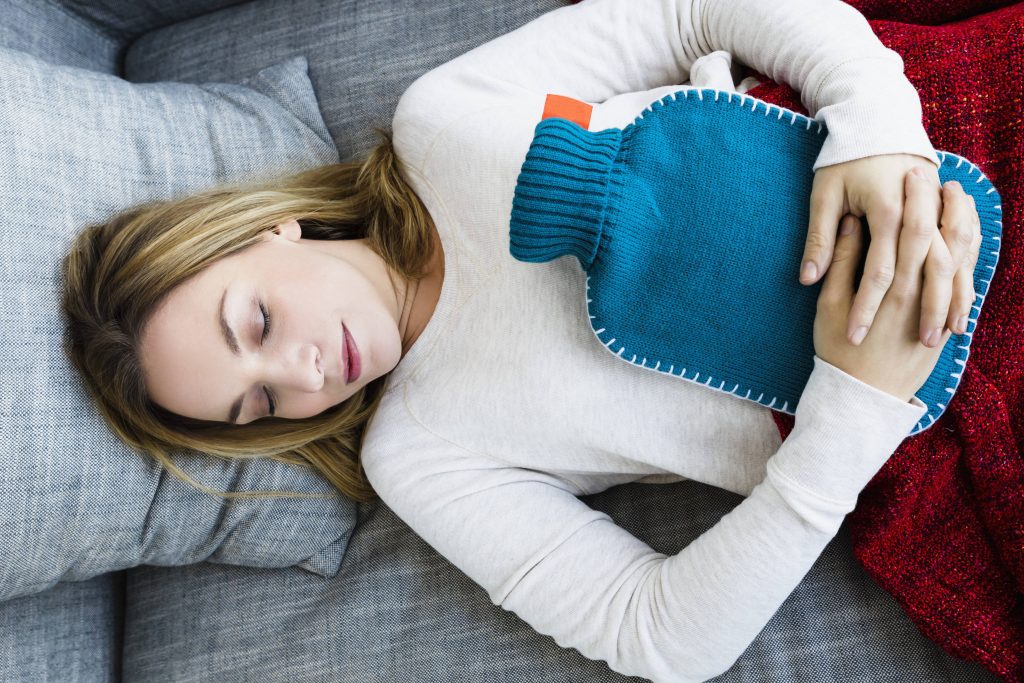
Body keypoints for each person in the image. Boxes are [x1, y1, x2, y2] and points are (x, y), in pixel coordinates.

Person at [59, 0, 983, 680]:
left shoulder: (445, 121)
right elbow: (656, 633)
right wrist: (854, 410)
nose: (298, 372)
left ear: (272, 230)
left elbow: (693, 10)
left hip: (927, 141)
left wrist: (878, 128)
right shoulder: (420, 452)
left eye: (255, 322)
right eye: (259, 401)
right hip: (934, 427)